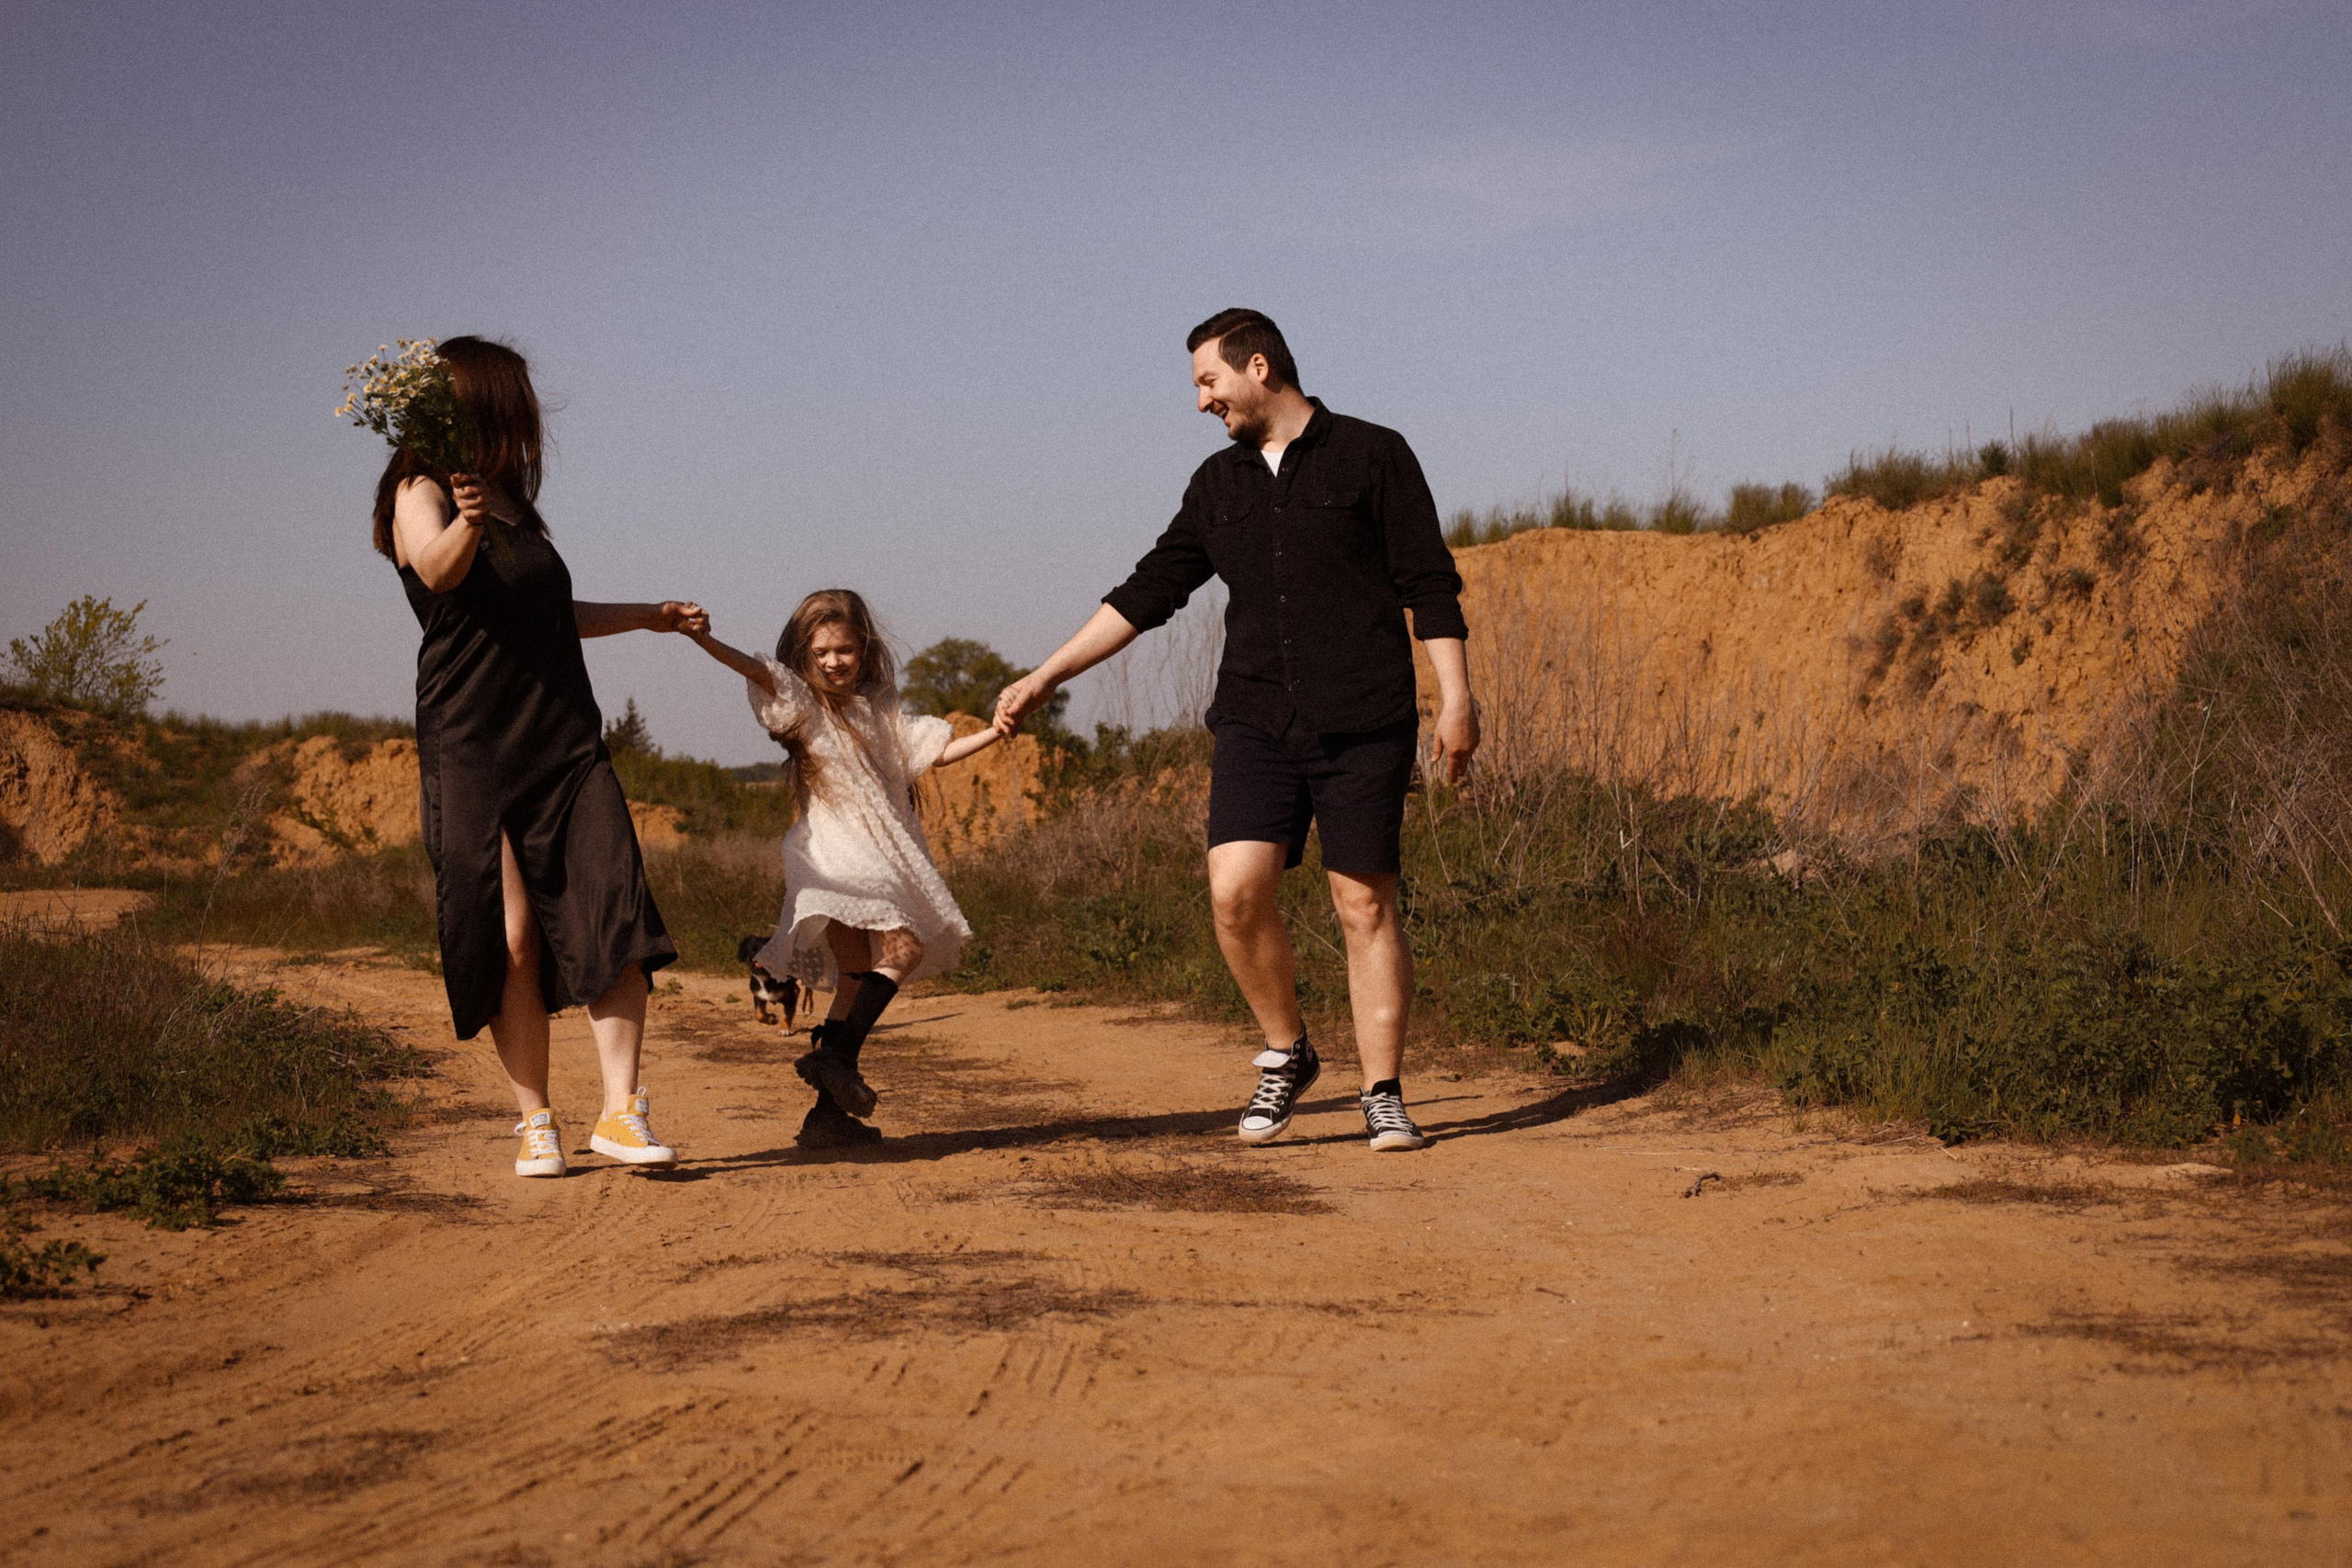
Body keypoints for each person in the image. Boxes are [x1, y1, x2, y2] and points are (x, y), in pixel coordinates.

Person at [996, 309, 1478, 1153]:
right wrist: (1046, 674)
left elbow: (1427, 583)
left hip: (1365, 714)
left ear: (1259, 366)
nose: (1200, 402)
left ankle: (1384, 1092)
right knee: (1234, 890)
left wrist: (1457, 698)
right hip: (1257, 715)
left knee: (1362, 902)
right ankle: (1287, 1051)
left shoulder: (1375, 454)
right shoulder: (1216, 487)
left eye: (1207, 381)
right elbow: (1149, 590)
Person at [375, 335, 701, 1179]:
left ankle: (622, 1113)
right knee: (512, 936)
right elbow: (440, 572)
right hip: (473, 746)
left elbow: (548, 608)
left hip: (564, 738)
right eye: (513, 398)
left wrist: (645, 615)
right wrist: (470, 518)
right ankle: (535, 1122)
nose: (526, 418)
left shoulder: (514, 503)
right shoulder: (420, 491)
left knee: (612, 903)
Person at [686, 590, 1007, 1147]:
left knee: (856, 977)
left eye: (845, 650)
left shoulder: (878, 706)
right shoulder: (802, 701)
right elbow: (756, 668)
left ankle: (825, 1117)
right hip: (838, 855)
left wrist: (998, 731)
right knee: (904, 952)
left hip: (869, 854)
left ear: (864, 650)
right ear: (805, 656)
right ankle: (834, 1055)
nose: (834, 662)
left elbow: (930, 751)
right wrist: (704, 638)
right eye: (822, 652)